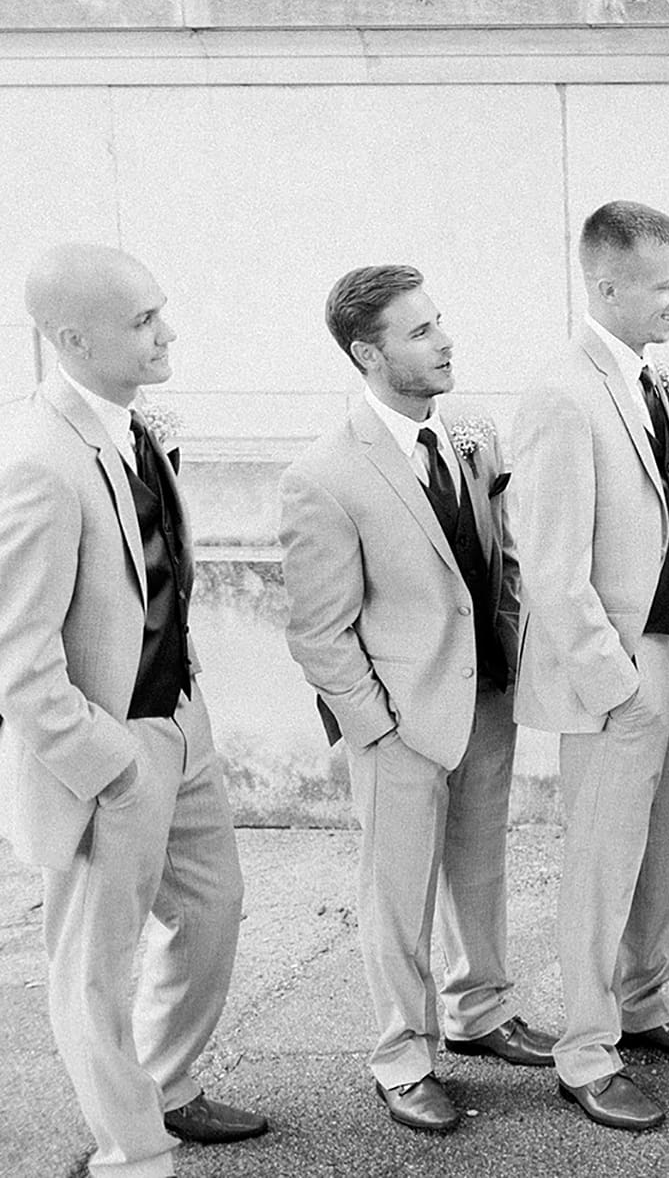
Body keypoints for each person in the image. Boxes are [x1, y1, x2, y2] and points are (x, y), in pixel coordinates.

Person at [0, 244, 266, 1176]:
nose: (167, 331)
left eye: (161, 309)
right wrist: (106, 761)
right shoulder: (36, 458)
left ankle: (167, 1083)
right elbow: (17, 658)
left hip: (178, 720)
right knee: (94, 966)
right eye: (143, 320)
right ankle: (131, 1148)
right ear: (71, 339)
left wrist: (185, 709)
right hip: (110, 746)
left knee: (213, 908)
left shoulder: (134, 424)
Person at [279, 265, 557, 1134]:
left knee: (481, 867)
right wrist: (377, 728)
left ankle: (481, 1008)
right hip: (399, 721)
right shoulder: (325, 474)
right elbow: (319, 631)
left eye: (440, 322)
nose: (444, 341)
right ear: (369, 352)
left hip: (486, 698)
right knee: (397, 895)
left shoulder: (473, 434)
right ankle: (402, 1056)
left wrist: (512, 665)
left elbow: (502, 559)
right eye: (420, 331)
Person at [511, 201, 669, 1133]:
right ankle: (586, 1050)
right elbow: (553, 571)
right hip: (617, 669)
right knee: (602, 863)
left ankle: (643, 1002)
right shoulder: (563, 393)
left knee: (665, 846)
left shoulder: (645, 378)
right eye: (665, 284)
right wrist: (617, 682)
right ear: (606, 285)